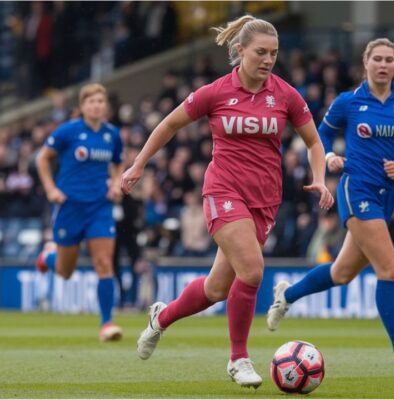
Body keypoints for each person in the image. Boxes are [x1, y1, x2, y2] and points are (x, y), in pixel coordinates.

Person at [123, 15, 333, 389]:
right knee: (252, 271)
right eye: (261, 52)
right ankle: (238, 359)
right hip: (223, 192)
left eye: (274, 53)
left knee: (217, 289)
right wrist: (139, 164)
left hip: (265, 201)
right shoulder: (216, 92)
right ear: (240, 51)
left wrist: (318, 178)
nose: (268, 60)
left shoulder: (285, 94)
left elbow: (315, 143)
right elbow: (169, 124)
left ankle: (161, 317)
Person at [267, 38, 394, 369]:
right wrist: (329, 157)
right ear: (366, 63)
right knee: (389, 268)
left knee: (342, 273)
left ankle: (287, 296)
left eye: (389, 60)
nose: (383, 65)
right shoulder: (348, 102)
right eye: (377, 59)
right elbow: (319, 134)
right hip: (356, 190)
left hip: (388, 194)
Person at [35, 83, 124, 342]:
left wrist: (116, 184)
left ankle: (107, 323)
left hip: (99, 207)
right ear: (82, 106)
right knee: (65, 270)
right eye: (91, 101)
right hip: (70, 206)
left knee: (104, 263)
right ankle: (47, 258)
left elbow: (118, 163)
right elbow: (42, 158)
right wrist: (51, 189)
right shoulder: (68, 131)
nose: (96, 105)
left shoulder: (112, 135)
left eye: (100, 101)